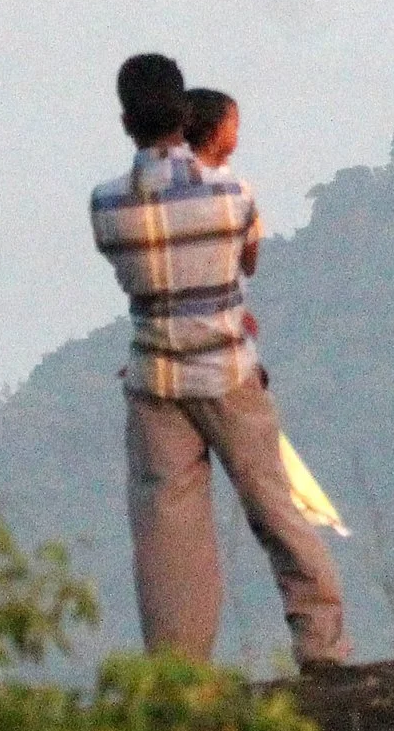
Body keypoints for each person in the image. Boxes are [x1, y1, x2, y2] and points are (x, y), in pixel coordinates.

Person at [90, 54, 349, 669]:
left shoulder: (106, 206)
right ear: (185, 115)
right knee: (273, 507)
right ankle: (322, 645)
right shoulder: (232, 194)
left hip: (154, 379)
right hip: (230, 373)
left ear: (126, 119)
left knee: (168, 533)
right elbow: (243, 263)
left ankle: (178, 676)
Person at [181, 87, 352, 540]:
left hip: (175, 335)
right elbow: (248, 261)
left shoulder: (162, 197)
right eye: (233, 125)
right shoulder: (236, 193)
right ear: (220, 134)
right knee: (261, 452)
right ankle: (300, 521)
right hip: (224, 337)